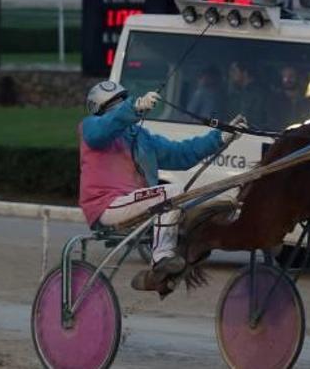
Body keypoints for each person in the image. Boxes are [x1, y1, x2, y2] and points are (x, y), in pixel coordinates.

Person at [79, 81, 245, 291]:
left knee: (189, 201)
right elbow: (104, 129)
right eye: (115, 103)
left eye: (124, 100)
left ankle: (171, 263)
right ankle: (161, 259)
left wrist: (220, 137)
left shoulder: (141, 137)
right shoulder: (91, 128)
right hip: (106, 207)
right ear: (100, 110)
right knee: (172, 190)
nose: (122, 105)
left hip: (134, 204)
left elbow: (181, 153)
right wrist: (133, 108)